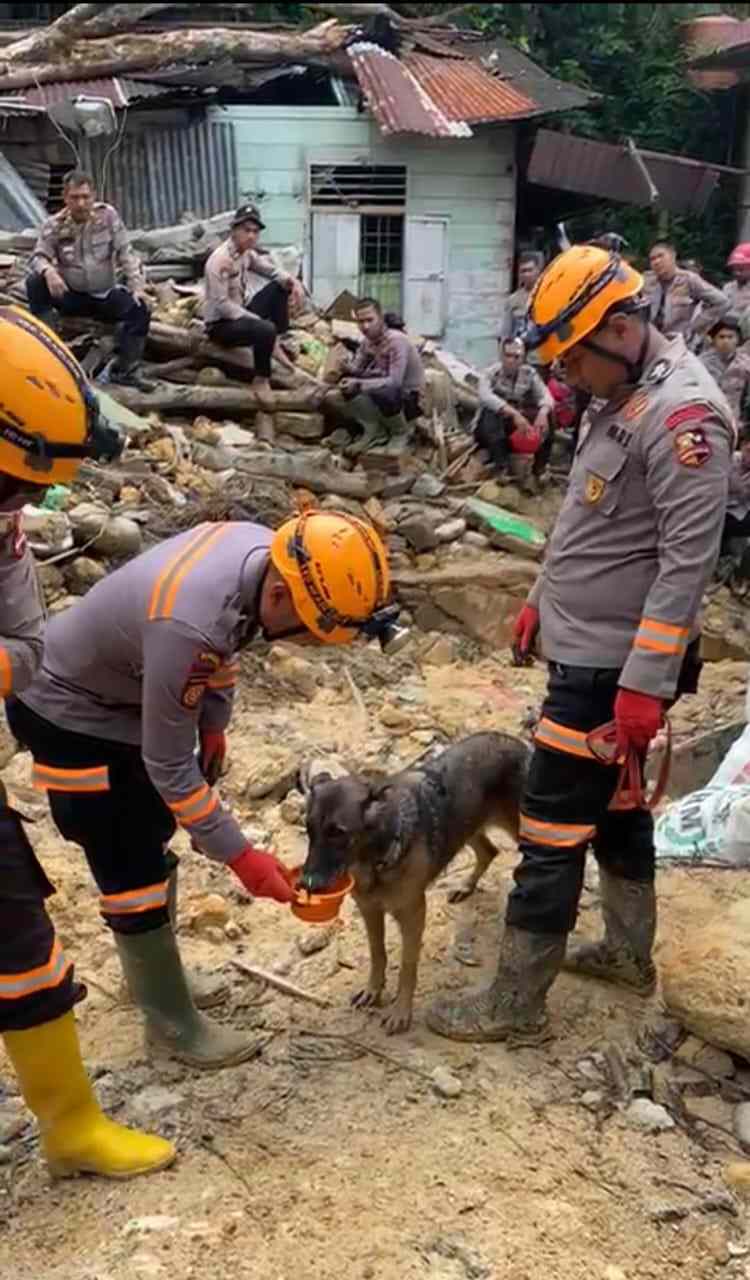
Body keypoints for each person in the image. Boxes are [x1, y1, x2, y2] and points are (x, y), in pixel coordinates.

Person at [426, 244, 734, 1046]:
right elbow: (588, 521)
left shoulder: (684, 418)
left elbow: (684, 566)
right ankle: (630, 958)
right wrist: (539, 600)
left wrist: (641, 685)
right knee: (620, 808)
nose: (567, 377)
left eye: (574, 359)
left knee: (552, 827)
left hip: (615, 668)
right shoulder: (622, 393)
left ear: (623, 327)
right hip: (588, 643)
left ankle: (514, 1007)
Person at [8, 509, 399, 1070]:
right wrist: (240, 856)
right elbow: (169, 762)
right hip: (65, 711)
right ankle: (170, 1026)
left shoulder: (270, 554)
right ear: (284, 596)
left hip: (121, 695)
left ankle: (155, 981)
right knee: (127, 853)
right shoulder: (188, 622)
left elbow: (227, 643)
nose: (312, 645)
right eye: (311, 631)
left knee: (150, 827)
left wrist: (213, 718)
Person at [0, 307, 175, 1179]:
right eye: (8, 485)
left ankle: (69, 1127)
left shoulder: (3, 529)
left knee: (19, 937)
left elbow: (27, 648)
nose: (18, 507)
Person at [26, 169, 153, 391]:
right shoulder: (54, 225)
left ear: (94, 196)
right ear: (65, 198)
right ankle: (46, 352)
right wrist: (49, 271)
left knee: (140, 307)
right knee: (35, 282)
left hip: (104, 296)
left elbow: (126, 253)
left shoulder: (108, 217)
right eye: (75, 197)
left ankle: (126, 371)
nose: (81, 203)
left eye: (86, 197)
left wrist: (137, 287)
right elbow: (37, 257)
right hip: (71, 297)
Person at [203, 203, 306, 426]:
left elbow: (268, 270)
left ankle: (280, 339)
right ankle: (261, 379)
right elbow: (222, 306)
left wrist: (292, 281)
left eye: (255, 231)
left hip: (240, 312)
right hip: (220, 325)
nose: (251, 236)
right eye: (246, 230)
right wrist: (256, 320)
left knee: (280, 287)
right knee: (264, 328)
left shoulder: (245, 254)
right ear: (234, 230)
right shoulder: (220, 260)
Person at [328, 297, 425, 455]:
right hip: (386, 393)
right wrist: (347, 368)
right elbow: (357, 368)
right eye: (360, 322)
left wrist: (359, 382)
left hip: (410, 398)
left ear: (380, 318)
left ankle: (400, 432)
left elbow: (395, 381)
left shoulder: (396, 341)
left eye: (370, 320)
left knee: (385, 390)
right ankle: (375, 432)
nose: (365, 326)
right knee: (347, 385)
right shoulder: (368, 342)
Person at [475, 337, 552, 478]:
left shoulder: (529, 373)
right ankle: (502, 467)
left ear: (523, 358)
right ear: (501, 356)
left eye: (516, 357)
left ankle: (540, 467)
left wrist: (543, 412)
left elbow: (545, 395)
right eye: (508, 356)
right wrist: (514, 414)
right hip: (490, 431)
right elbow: (485, 396)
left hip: (516, 427)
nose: (511, 360)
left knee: (548, 415)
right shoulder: (491, 373)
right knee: (490, 413)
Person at [645, 241, 728, 347]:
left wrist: (695, 326)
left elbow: (722, 302)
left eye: (660, 256)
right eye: (652, 259)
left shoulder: (689, 279)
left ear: (673, 256)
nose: (656, 262)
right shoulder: (646, 281)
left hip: (680, 342)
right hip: (652, 342)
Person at [701, 314, 750, 431]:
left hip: (735, 423)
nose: (726, 341)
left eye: (730, 337)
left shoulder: (746, 365)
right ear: (713, 340)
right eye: (721, 337)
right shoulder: (701, 364)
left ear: (738, 340)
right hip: (707, 420)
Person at [501, 252, 543, 343]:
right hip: (523, 352)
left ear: (538, 271)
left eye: (530, 270)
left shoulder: (548, 294)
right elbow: (506, 333)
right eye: (523, 271)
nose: (527, 274)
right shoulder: (513, 300)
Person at [723, 434, 750, 551]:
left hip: (738, 510)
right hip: (718, 508)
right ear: (743, 446)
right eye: (749, 451)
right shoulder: (729, 460)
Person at [724, 243, 750, 337]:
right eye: (734, 269)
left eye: (741, 269)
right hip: (727, 329)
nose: (737, 273)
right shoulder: (728, 288)